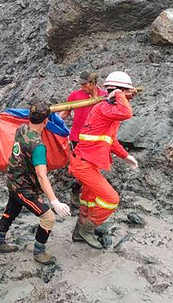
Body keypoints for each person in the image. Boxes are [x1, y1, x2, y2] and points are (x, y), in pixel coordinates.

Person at [0, 99, 71, 265]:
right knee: (48, 218)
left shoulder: (22, 129)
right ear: (46, 121)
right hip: (23, 188)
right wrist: (54, 201)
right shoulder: (38, 146)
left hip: (13, 179)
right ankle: (39, 251)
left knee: (11, 210)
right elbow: (42, 176)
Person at [68, 71, 139, 249]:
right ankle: (87, 230)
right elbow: (126, 112)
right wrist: (120, 95)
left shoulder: (106, 110)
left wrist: (125, 156)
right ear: (116, 92)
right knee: (111, 199)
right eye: (124, 93)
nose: (127, 96)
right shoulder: (104, 108)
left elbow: (111, 139)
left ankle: (78, 232)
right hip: (83, 164)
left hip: (88, 163)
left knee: (88, 199)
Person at [59, 71, 108, 208]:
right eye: (80, 84)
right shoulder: (76, 95)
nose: (82, 87)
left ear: (93, 83)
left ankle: (88, 192)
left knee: (94, 167)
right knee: (83, 167)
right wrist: (51, 122)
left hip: (97, 139)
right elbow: (65, 112)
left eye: (84, 84)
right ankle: (77, 188)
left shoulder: (105, 96)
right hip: (78, 138)